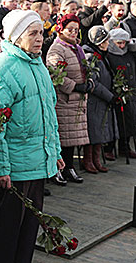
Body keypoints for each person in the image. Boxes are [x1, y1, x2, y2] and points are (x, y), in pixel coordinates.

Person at [0, 10, 64, 263]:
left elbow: (49, 116)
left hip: (37, 161)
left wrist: (55, 153)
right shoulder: (2, 69)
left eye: (42, 33)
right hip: (14, 167)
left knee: (30, 229)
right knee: (9, 232)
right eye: (33, 33)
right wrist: (0, 167)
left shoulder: (38, 65)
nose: (40, 39)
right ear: (16, 37)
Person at [47, 14, 91, 180]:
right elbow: (55, 73)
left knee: (72, 137)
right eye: (69, 29)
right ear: (61, 29)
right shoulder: (57, 48)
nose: (73, 33)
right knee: (63, 136)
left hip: (77, 100)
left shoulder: (77, 48)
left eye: (76, 30)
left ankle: (69, 167)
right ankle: (57, 169)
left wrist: (89, 79)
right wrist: (74, 86)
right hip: (65, 99)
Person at [83, 26, 119, 169]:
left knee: (100, 130)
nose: (108, 43)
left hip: (103, 100)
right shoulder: (91, 57)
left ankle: (96, 159)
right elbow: (93, 82)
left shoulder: (103, 56)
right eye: (106, 40)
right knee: (93, 130)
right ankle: (88, 160)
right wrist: (109, 96)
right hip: (95, 100)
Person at [107, 28, 136, 158]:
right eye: (119, 43)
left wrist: (134, 44)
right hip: (116, 92)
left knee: (129, 119)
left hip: (130, 91)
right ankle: (109, 147)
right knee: (115, 121)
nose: (122, 46)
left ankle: (125, 146)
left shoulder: (128, 52)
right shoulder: (109, 54)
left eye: (124, 43)